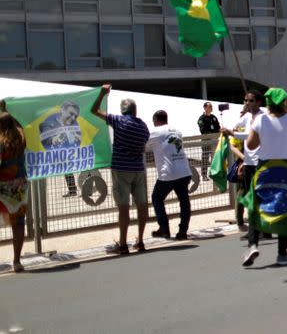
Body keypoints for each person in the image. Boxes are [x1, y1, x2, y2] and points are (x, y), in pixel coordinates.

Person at [242, 88, 287, 267]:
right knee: (286, 209)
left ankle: (253, 244)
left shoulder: (260, 120)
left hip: (265, 169)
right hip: (286, 168)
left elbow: (251, 146)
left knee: (255, 206)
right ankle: (282, 253)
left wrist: (258, 131)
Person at [91, 85, 151, 255]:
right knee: (141, 205)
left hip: (121, 169)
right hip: (138, 169)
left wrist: (102, 93)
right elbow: (142, 146)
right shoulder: (143, 126)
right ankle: (140, 240)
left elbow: (94, 110)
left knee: (123, 207)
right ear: (135, 111)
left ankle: (123, 244)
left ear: (122, 110)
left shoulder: (118, 121)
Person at [221, 90, 265, 231]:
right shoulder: (247, 117)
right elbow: (236, 128)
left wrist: (232, 132)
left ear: (259, 102)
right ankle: (244, 222)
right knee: (245, 193)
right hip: (248, 163)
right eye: (246, 100)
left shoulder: (262, 118)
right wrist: (230, 129)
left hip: (261, 162)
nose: (247, 103)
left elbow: (248, 135)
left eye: (251, 101)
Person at [145, 110, 191, 240]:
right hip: (184, 170)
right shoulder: (177, 131)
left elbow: (143, 145)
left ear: (156, 121)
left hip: (169, 172)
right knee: (184, 200)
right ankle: (183, 231)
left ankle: (164, 228)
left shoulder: (156, 132)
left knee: (157, 198)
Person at [0, 112, 28, 272]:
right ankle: (17, 261)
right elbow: (20, 127)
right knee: (18, 223)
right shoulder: (21, 140)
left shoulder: (1, 143)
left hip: (3, 187)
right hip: (20, 186)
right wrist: (9, 112)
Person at [38, 101, 81, 197]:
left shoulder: (73, 126)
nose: (73, 118)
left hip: (71, 154)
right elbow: (46, 137)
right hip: (57, 155)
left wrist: (77, 138)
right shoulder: (47, 124)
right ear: (62, 110)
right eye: (71, 113)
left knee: (73, 171)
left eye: (75, 116)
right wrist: (54, 139)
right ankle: (72, 190)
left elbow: (80, 139)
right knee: (67, 172)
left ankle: (80, 189)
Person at [197, 102, 220, 180]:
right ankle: (204, 175)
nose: (211, 108)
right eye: (209, 107)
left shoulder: (214, 117)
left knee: (215, 158)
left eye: (211, 107)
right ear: (205, 108)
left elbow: (218, 127)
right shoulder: (201, 119)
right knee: (205, 158)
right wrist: (212, 133)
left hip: (214, 141)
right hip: (206, 141)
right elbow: (203, 130)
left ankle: (214, 174)